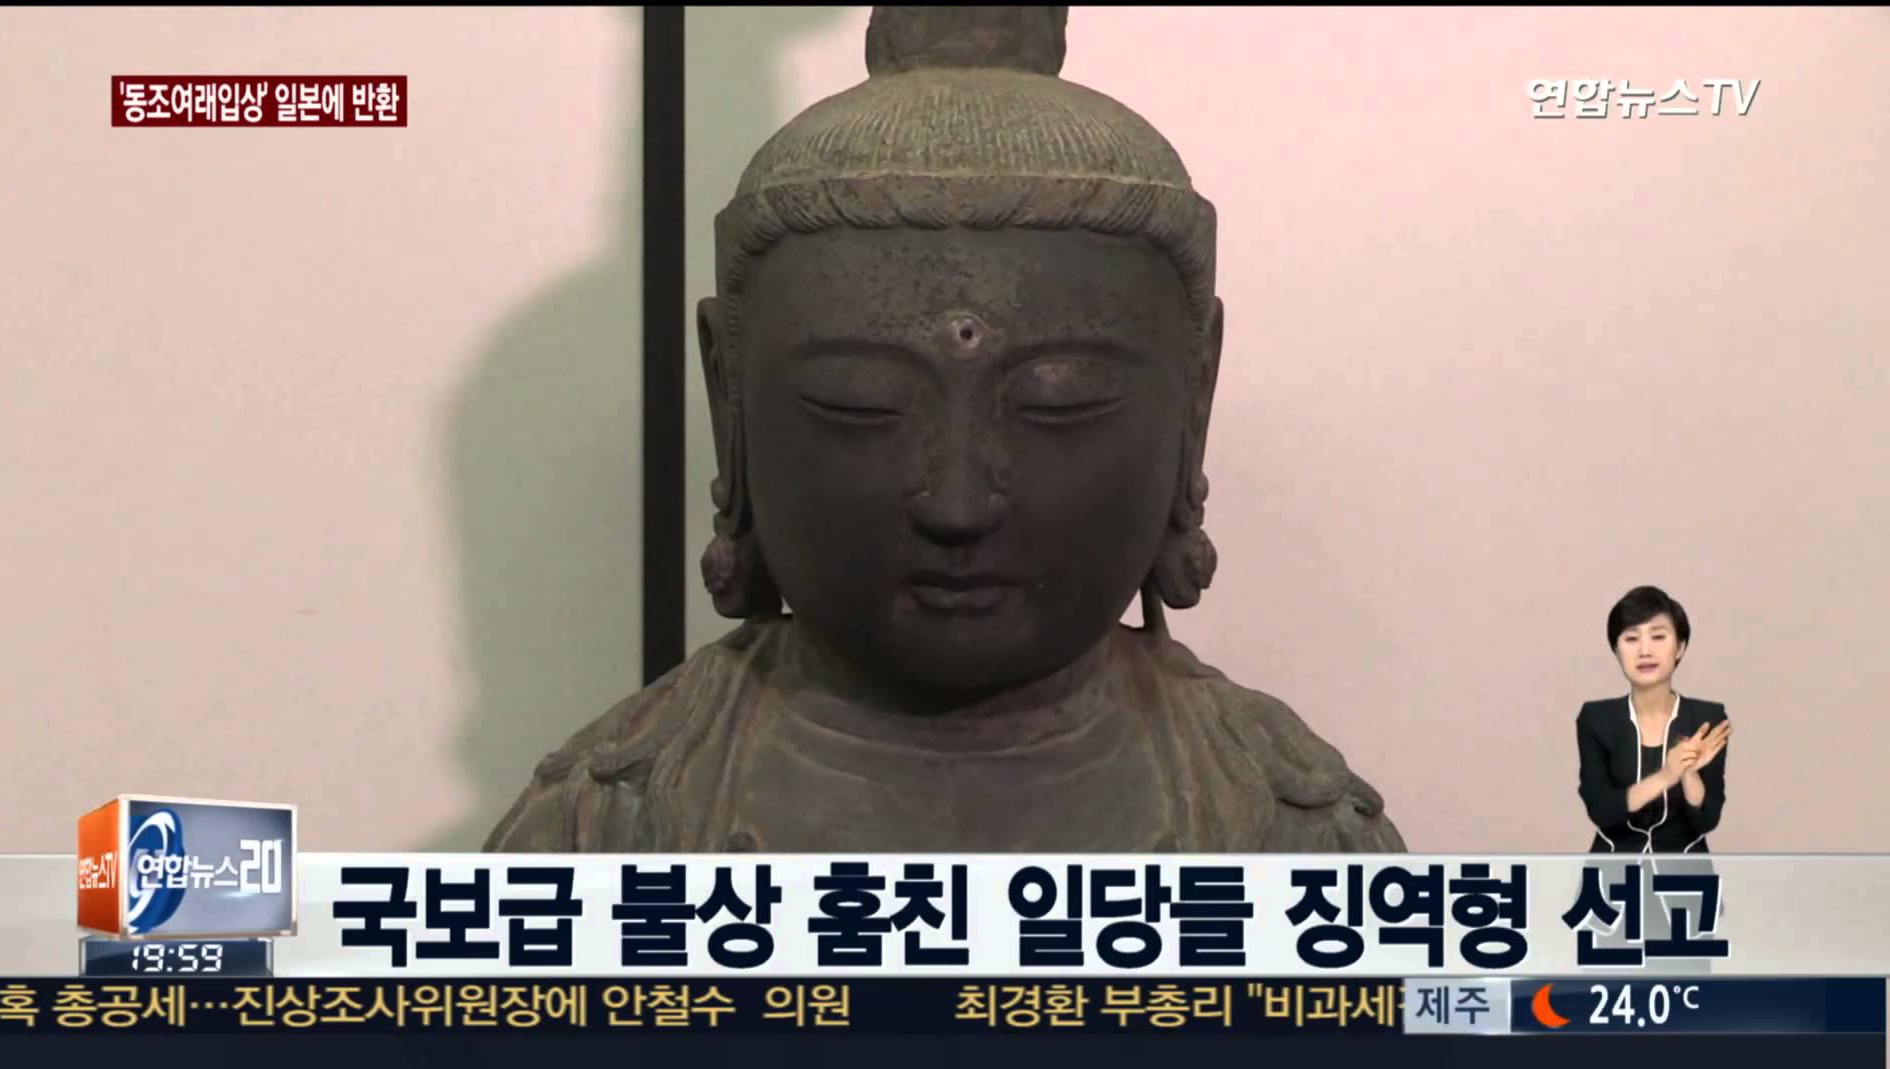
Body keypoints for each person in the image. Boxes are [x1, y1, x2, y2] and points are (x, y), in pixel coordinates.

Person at [485, 6, 1403, 853]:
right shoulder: (611, 824)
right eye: (858, 405)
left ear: (1193, 399)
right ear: (731, 401)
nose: (957, 504)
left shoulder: (1285, 826)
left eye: (1059, 404)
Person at [1576, 586, 1732, 853]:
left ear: (1679, 647)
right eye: (1631, 638)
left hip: (1685, 871)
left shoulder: (1707, 719)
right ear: (1616, 650)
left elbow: (1707, 820)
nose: (1645, 651)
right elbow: (1601, 810)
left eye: (1658, 636)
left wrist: (1689, 772)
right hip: (1613, 870)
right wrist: (1666, 776)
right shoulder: (1596, 719)